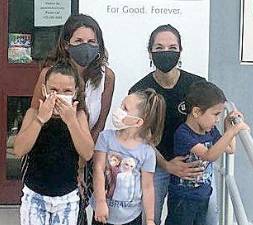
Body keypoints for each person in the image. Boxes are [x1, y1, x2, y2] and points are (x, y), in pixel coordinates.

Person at [30, 14, 115, 225]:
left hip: (84, 151)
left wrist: (83, 164)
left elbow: (99, 123)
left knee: (76, 213)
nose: (85, 46)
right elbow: (34, 112)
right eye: (78, 41)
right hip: (49, 154)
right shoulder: (50, 73)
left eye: (91, 42)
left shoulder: (107, 77)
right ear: (66, 44)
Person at [129, 24, 209, 225]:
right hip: (154, 165)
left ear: (180, 51)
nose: (166, 52)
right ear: (150, 53)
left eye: (172, 48)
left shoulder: (197, 85)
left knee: (209, 217)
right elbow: (139, 136)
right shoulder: (139, 90)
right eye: (159, 48)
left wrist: (230, 118)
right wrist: (166, 165)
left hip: (191, 166)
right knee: (150, 217)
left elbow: (210, 120)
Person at [14, 61, 94, 225]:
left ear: (75, 93)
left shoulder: (78, 117)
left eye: (67, 91)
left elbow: (87, 152)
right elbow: (19, 150)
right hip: (35, 194)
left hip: (67, 196)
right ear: (44, 90)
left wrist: (71, 122)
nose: (59, 95)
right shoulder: (33, 114)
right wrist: (40, 120)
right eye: (54, 90)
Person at [165, 81, 249, 225]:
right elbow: (210, 155)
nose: (217, 120)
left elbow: (230, 149)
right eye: (215, 114)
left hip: (203, 195)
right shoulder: (183, 133)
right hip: (183, 199)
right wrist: (234, 131)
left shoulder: (210, 130)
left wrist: (228, 126)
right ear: (196, 112)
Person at [92, 89, 166, 225]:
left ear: (138, 122)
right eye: (121, 105)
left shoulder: (147, 152)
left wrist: (150, 219)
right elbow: (98, 169)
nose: (119, 110)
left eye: (125, 109)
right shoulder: (106, 137)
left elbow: (148, 187)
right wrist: (101, 202)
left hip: (131, 218)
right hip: (103, 213)